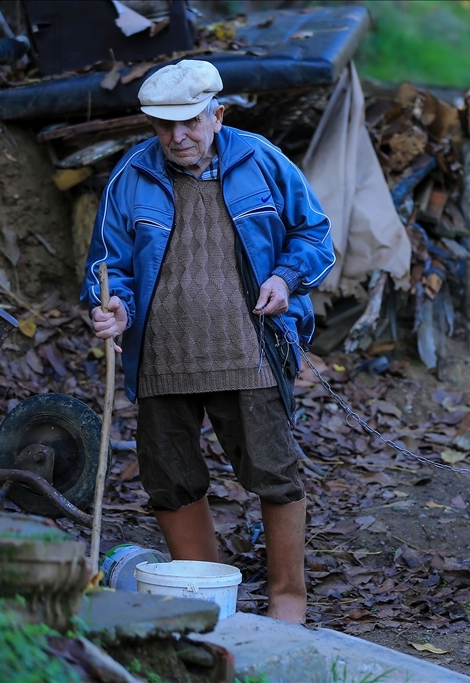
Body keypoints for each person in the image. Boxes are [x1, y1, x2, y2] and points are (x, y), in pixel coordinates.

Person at [81, 60, 334, 624]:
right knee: (169, 479)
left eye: (190, 123)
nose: (178, 138)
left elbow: (315, 234)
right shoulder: (132, 177)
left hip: (248, 351)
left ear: (217, 114)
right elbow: (106, 265)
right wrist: (112, 306)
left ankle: (287, 597)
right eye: (164, 126)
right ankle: (206, 603)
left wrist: (285, 278)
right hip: (162, 359)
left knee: (273, 471)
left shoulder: (261, 160)